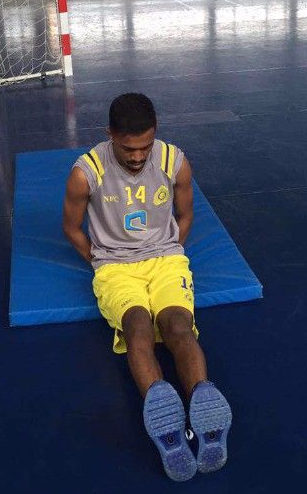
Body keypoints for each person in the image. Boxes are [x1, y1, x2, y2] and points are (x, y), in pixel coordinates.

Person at [63, 93, 232, 481]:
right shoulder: (86, 172)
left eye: (145, 146)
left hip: (166, 260)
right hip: (115, 268)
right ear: (110, 134)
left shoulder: (174, 161)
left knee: (178, 327)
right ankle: (167, 431)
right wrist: (102, 262)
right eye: (129, 149)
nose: (138, 156)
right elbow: (71, 228)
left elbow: (185, 214)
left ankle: (206, 416)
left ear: (155, 134)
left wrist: (170, 251)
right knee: (137, 326)